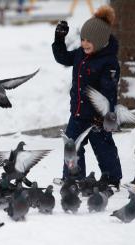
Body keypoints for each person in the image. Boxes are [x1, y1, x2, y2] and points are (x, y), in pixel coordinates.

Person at [52, 5, 122, 188]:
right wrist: (59, 39)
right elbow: (63, 58)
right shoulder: (80, 54)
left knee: (104, 148)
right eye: (82, 39)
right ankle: (74, 179)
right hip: (77, 113)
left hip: (97, 117)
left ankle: (112, 179)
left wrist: (106, 116)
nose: (84, 43)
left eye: (89, 40)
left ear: (100, 40)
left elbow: (109, 92)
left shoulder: (109, 62)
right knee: (72, 146)